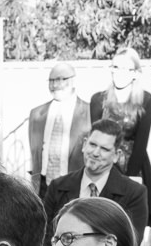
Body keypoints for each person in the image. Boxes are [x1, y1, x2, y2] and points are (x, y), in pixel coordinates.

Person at [92, 44, 151, 246]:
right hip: (103, 168)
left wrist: (131, 177)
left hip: (134, 167)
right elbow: (95, 141)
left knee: (131, 230)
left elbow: (142, 141)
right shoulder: (98, 99)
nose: (119, 73)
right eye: (115, 67)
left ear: (135, 73)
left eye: (126, 69)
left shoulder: (146, 99)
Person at [47, 123, 149, 242]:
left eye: (104, 149)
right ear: (84, 144)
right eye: (92, 144)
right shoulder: (57, 186)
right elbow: (44, 236)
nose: (95, 153)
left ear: (116, 155)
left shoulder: (134, 193)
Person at [8, 60, 90, 195]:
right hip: (43, 188)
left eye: (61, 80)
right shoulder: (36, 114)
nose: (55, 85)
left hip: (75, 187)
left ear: (73, 81)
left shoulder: (89, 112)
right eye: (51, 80)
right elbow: (35, 155)